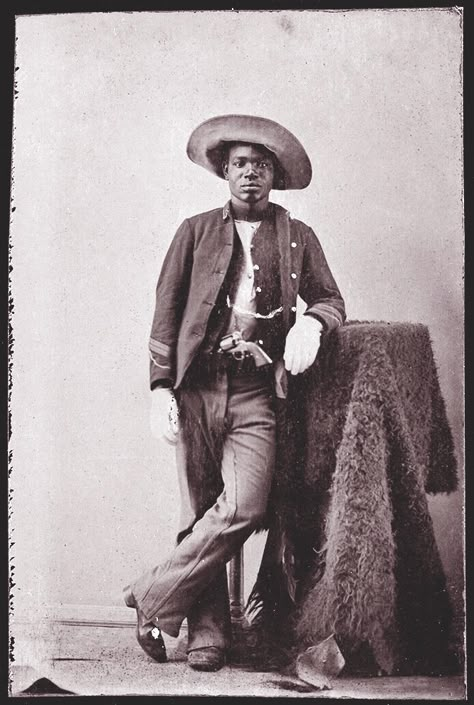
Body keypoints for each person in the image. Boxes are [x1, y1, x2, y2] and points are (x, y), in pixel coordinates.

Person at [123, 114, 346, 671]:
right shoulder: (194, 230)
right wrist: (159, 388)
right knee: (199, 508)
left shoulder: (298, 237)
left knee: (244, 505)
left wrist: (311, 324)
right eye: (241, 164)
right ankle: (207, 634)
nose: (251, 174)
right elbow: (166, 312)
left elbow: (332, 300)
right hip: (196, 386)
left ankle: (149, 596)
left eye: (262, 165)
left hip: (255, 391)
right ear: (224, 171)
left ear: (275, 176)